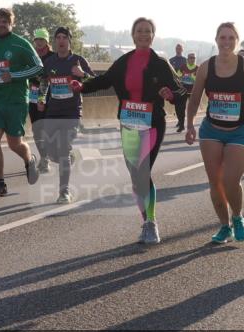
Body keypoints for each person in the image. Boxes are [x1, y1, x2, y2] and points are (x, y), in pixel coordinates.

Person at [75, 17, 182, 245]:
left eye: (148, 31)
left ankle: (151, 224)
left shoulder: (161, 64)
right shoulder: (124, 62)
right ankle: (146, 222)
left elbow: (179, 91)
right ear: (133, 35)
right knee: (136, 177)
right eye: (140, 31)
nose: (144, 35)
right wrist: (82, 86)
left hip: (153, 123)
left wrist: (170, 95)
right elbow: (104, 81)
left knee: (142, 172)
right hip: (129, 124)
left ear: (153, 35)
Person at [185, 23, 244, 243]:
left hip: (241, 130)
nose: (227, 42)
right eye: (223, 37)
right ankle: (224, 226)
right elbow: (194, 99)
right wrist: (190, 124)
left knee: (231, 181)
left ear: (237, 41)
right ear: (216, 40)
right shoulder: (206, 67)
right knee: (216, 183)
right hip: (211, 130)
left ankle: (238, 217)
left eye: (231, 38)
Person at [0, 7, 44, 198]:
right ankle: (0, 183)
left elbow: (39, 67)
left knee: (15, 143)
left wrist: (13, 75)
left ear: (11, 24)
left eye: (4, 21)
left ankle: (29, 159)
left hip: (15, 100)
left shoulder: (20, 44)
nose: (0, 24)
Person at [37, 26, 95, 204]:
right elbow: (44, 81)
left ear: (69, 41)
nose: (61, 41)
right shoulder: (50, 62)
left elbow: (95, 81)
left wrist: (82, 74)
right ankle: (68, 157)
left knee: (62, 148)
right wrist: (41, 98)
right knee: (49, 149)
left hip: (71, 113)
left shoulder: (78, 60)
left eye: (64, 38)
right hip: (53, 111)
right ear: (54, 42)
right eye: (58, 38)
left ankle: (64, 192)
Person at [28, 28, 56, 172]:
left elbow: (51, 77)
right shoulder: (31, 56)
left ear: (47, 41)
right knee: (36, 130)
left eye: (42, 40)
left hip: (49, 97)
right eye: (37, 40)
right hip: (32, 97)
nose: (39, 43)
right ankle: (44, 157)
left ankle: (55, 154)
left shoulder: (53, 57)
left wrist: (43, 97)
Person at [172, 51, 198, 132]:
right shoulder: (183, 67)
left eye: (193, 58)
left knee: (192, 109)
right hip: (183, 90)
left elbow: (198, 80)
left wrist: (192, 76)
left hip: (192, 91)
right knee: (180, 108)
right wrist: (182, 75)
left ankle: (191, 124)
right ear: (187, 59)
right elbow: (178, 76)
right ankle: (181, 124)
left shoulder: (197, 68)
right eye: (190, 58)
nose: (192, 59)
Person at [168, 44, 187, 131]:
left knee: (182, 106)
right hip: (174, 87)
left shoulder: (185, 60)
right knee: (177, 106)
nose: (178, 49)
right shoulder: (171, 60)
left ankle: (182, 124)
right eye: (177, 48)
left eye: (180, 48)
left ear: (182, 49)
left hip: (184, 87)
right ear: (175, 49)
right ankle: (180, 121)